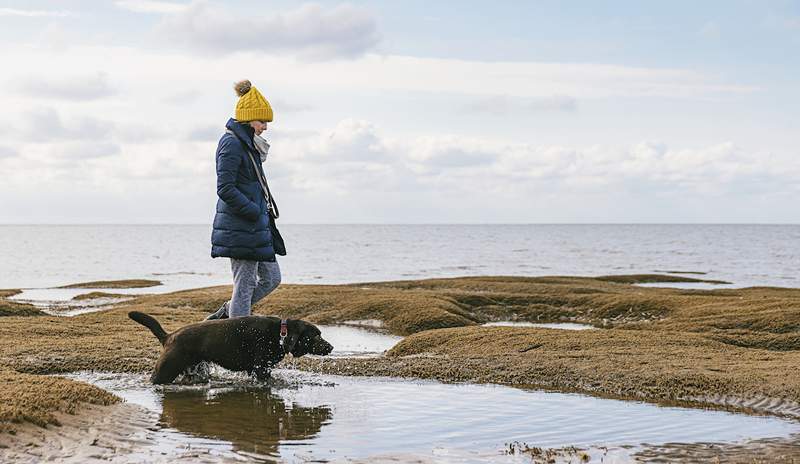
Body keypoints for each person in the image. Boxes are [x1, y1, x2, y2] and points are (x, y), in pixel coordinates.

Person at [206, 79, 284, 320]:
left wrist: (261, 214)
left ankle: (227, 314)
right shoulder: (231, 143)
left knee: (272, 279)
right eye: (262, 121)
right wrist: (252, 211)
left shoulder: (249, 146)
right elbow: (225, 188)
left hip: (256, 226)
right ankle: (236, 339)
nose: (265, 127)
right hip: (241, 226)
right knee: (246, 284)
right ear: (249, 119)